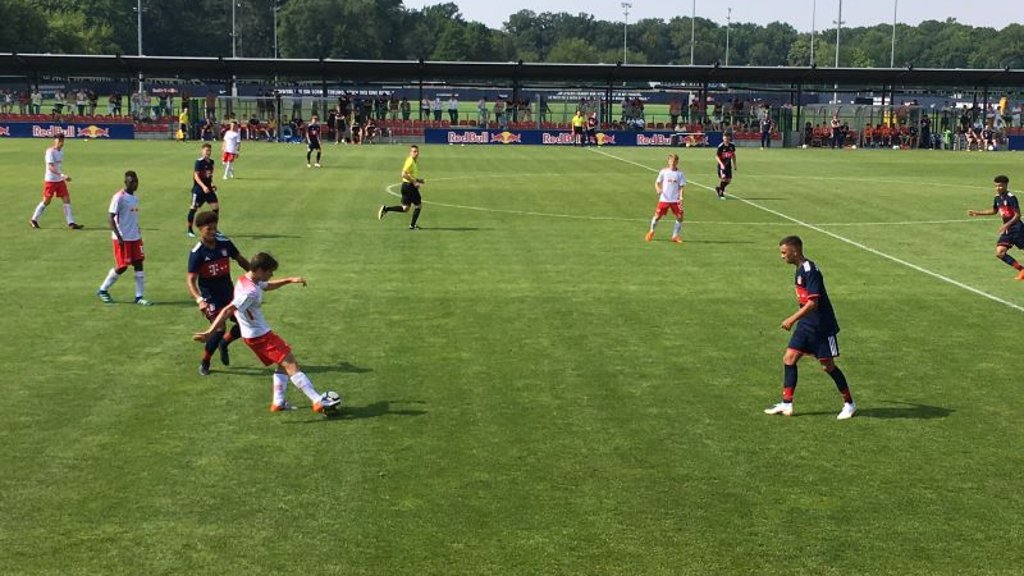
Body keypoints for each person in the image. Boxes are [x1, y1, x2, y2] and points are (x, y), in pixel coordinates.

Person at [192, 252, 342, 414]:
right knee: (291, 364)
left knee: (282, 365)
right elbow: (228, 310)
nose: (272, 275)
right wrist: (210, 332)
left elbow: (267, 286)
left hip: (256, 335)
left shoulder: (246, 280)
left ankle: (278, 402)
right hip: (260, 336)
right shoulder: (249, 292)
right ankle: (317, 400)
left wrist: (289, 280)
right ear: (260, 270)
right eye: (270, 271)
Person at [765, 236, 856, 420]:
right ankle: (786, 403)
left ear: (795, 251)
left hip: (822, 326)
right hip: (806, 324)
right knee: (789, 358)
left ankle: (849, 404)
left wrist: (791, 319)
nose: (782, 256)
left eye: (784, 252)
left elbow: (813, 303)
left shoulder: (810, 270)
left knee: (827, 366)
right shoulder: (798, 270)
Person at [188, 211, 250, 376]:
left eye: (215, 228)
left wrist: (254, 274)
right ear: (200, 229)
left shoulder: (224, 243)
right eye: (209, 229)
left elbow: (240, 259)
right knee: (219, 328)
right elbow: (191, 280)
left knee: (245, 323)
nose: (213, 231)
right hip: (211, 296)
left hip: (229, 292)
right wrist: (199, 300)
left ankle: (224, 344)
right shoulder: (197, 252)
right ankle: (205, 361)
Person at [96, 171, 152, 306]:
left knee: (139, 263)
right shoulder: (118, 197)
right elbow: (110, 218)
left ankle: (139, 296)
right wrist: (119, 236)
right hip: (122, 238)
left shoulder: (135, 198)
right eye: (131, 181)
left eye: (136, 181)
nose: (134, 184)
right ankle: (103, 290)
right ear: (125, 182)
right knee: (122, 267)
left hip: (135, 237)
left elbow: (132, 217)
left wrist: (138, 231)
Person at [968, 175, 1024, 279]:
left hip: (1017, 229)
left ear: (1006, 185)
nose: (998, 188)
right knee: (1000, 253)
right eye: (996, 186)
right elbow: (994, 211)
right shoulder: (997, 198)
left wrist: (1006, 225)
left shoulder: (1011, 198)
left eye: (1000, 186)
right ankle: (1022, 270)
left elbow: (1018, 215)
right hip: (1007, 230)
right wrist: (977, 213)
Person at [29, 134, 83, 230]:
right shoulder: (50, 152)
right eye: (58, 140)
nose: (60, 142)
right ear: (55, 141)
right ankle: (34, 219)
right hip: (51, 180)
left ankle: (71, 223)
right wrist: (62, 175)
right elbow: (50, 167)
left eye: (61, 140)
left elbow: (58, 166)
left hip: (59, 181)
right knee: (47, 201)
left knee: (66, 199)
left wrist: (61, 177)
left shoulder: (61, 151)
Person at [378, 145, 424, 230]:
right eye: (414, 151)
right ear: (410, 153)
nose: (416, 153)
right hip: (410, 187)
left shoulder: (412, 161)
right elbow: (403, 174)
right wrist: (414, 182)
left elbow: (409, 174)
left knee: (405, 208)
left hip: (405, 186)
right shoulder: (410, 161)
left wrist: (418, 180)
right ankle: (412, 225)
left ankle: (386, 209)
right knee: (418, 206)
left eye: (417, 151)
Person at [644, 153, 686, 244]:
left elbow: (682, 186)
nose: (673, 163)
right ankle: (651, 231)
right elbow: (657, 183)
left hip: (675, 200)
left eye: (674, 161)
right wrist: (658, 189)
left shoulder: (680, 174)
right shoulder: (664, 171)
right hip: (664, 199)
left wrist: (681, 197)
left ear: (677, 162)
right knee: (657, 217)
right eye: (671, 161)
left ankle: (675, 236)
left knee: (680, 217)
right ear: (668, 161)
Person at [187, 143, 219, 238]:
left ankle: (214, 229)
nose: (208, 152)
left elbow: (209, 175)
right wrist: (203, 186)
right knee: (193, 209)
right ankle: (189, 230)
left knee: (215, 207)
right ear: (202, 151)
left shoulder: (211, 162)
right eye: (206, 150)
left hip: (208, 189)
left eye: (209, 151)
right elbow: (196, 176)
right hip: (198, 190)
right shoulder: (199, 162)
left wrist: (212, 184)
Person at [714, 132, 737, 200]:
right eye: (724, 138)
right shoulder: (721, 146)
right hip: (722, 166)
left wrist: (735, 164)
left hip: (728, 165)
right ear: (723, 138)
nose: (726, 139)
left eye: (727, 138)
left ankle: (719, 188)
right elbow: (716, 156)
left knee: (729, 180)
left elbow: (733, 155)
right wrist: (721, 164)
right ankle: (721, 193)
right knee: (724, 178)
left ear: (729, 138)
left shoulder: (732, 145)